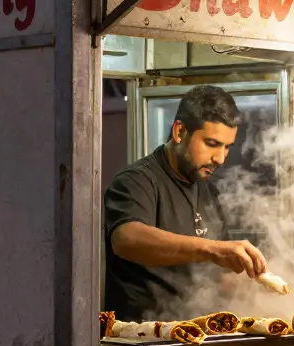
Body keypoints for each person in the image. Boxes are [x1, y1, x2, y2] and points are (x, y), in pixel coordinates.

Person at [103, 84, 269, 321]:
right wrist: (211, 249)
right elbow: (126, 239)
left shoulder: (206, 189)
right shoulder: (137, 180)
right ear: (180, 132)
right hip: (144, 337)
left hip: (197, 334)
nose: (220, 158)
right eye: (212, 144)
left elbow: (215, 274)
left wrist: (254, 283)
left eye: (227, 147)